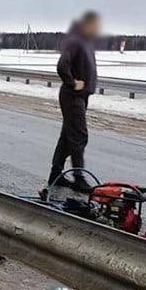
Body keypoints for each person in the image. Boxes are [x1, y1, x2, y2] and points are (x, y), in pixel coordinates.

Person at [47, 11, 101, 192]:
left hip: (81, 97)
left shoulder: (86, 42)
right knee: (79, 135)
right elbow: (62, 65)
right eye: (95, 25)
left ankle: (55, 174)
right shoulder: (76, 41)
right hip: (72, 96)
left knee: (67, 137)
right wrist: (72, 83)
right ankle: (79, 177)